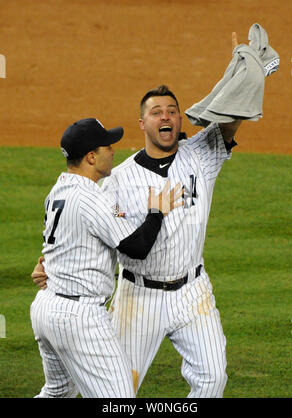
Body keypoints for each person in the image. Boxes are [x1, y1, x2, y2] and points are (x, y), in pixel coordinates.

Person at [32, 33, 252, 398]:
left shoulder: (200, 154)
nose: (165, 117)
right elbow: (85, 229)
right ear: (142, 123)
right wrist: (53, 267)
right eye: (156, 112)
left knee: (213, 381)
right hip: (138, 298)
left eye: (172, 111)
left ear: (180, 120)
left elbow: (230, 119)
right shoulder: (115, 180)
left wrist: (242, 72)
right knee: (119, 393)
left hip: (192, 291)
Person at [30, 117, 183, 398]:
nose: (113, 151)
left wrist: (44, 264)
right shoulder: (94, 200)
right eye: (107, 146)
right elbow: (136, 248)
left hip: (46, 308)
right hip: (79, 317)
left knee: (57, 392)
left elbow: (65, 241)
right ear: (91, 157)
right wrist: (156, 211)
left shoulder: (59, 189)